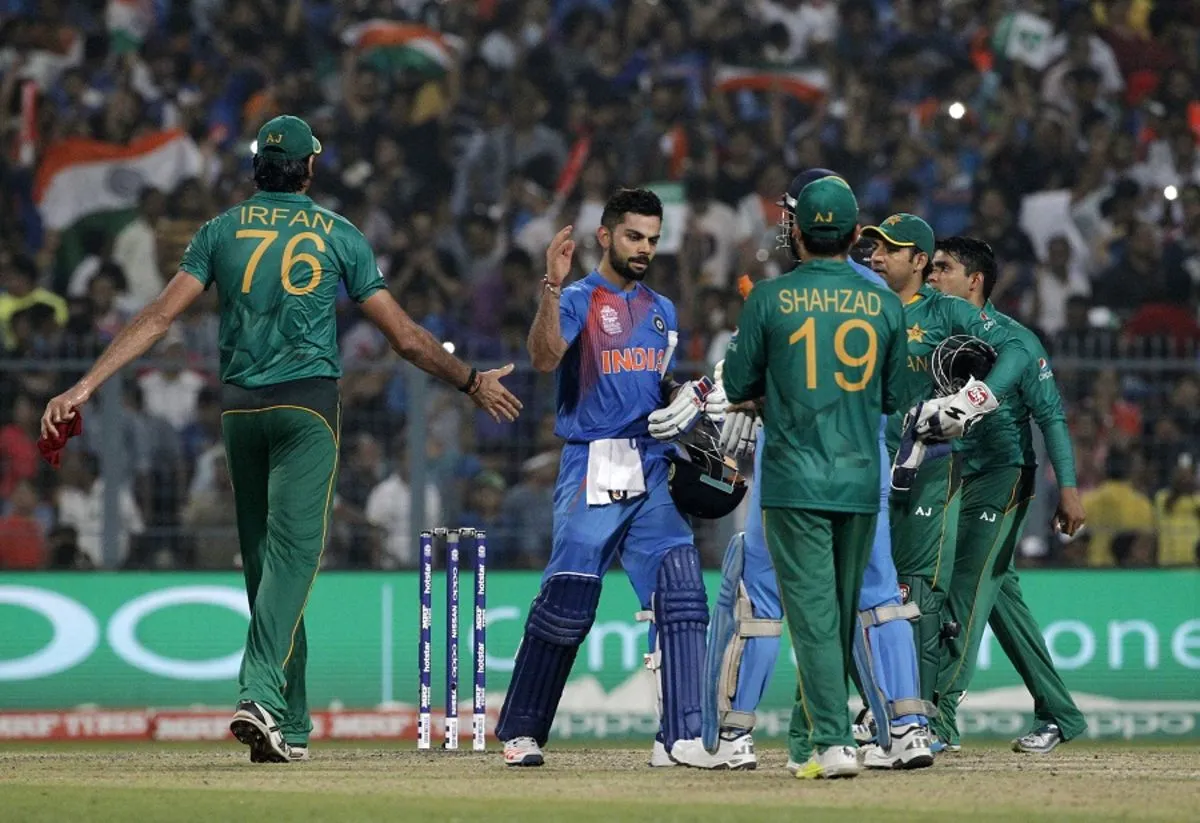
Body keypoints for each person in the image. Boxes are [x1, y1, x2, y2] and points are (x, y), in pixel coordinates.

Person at [40, 115, 522, 764]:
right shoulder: (339, 235)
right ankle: (260, 694)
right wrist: (470, 381)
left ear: (255, 169)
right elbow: (404, 338)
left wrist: (86, 384)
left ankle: (289, 724)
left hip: (240, 412)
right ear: (311, 168)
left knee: (267, 568)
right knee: (293, 562)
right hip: (306, 410)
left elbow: (156, 316)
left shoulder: (221, 230)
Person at [697, 170, 935, 773]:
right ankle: (906, 729)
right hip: (864, 467)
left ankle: (737, 736)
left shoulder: (772, 295)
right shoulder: (882, 297)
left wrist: (755, 401)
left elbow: (740, 383)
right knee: (879, 599)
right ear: (856, 233)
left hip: (792, 470)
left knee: (762, 595)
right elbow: (896, 394)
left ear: (795, 227)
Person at [497, 188, 723, 769]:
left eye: (652, 238)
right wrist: (549, 287)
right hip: (593, 459)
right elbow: (545, 359)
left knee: (682, 593)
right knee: (569, 602)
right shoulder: (575, 298)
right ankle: (522, 732)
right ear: (606, 235)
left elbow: (658, 386)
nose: (645, 248)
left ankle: (681, 738)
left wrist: (685, 404)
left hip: (651, 461)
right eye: (634, 237)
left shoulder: (662, 309)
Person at [926, 236, 1088, 754]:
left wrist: (1069, 488)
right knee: (999, 599)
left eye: (943, 269)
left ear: (973, 281)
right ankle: (1060, 713)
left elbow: (1051, 418)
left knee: (964, 590)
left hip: (1002, 477)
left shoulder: (1016, 341)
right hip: (950, 475)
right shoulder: (927, 331)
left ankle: (940, 718)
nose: (931, 277)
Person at [862, 213, 1031, 708]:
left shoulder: (945, 312)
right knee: (864, 589)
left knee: (915, 590)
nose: (875, 256)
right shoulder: (859, 305)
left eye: (889, 250)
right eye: (874, 247)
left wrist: (970, 402)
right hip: (865, 466)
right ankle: (878, 708)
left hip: (929, 468)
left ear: (917, 262)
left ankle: (920, 713)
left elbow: (1016, 350)